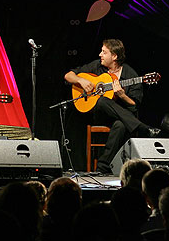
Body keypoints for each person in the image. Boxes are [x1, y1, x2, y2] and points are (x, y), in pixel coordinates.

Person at [64, 39, 157, 174]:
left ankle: (102, 167)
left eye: (104, 52)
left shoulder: (130, 74)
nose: (100, 54)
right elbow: (68, 75)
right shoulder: (97, 66)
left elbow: (134, 105)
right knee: (101, 101)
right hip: (100, 116)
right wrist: (81, 80)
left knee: (120, 125)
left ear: (114, 56)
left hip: (123, 118)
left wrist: (122, 95)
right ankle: (143, 128)